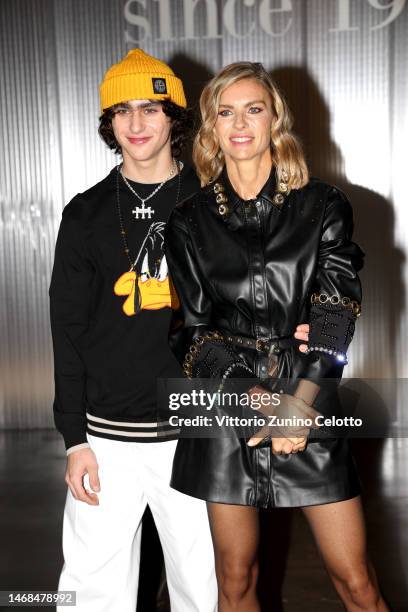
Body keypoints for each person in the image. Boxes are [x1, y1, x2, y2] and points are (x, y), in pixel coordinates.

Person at [165, 62, 389, 611]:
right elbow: (190, 332)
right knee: (235, 581)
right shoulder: (187, 222)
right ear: (212, 128)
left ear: (275, 120)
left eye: (253, 109)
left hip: (307, 399)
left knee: (356, 582)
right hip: (229, 405)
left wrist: (301, 403)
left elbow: (336, 311)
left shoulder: (323, 205)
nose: (240, 123)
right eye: (225, 112)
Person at [49, 48, 217, 612]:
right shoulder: (85, 214)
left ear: (174, 117)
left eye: (150, 107)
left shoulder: (212, 204)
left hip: (195, 432)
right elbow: (67, 328)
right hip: (107, 437)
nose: (136, 123)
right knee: (89, 589)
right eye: (122, 111)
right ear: (109, 122)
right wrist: (74, 439)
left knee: (205, 583)